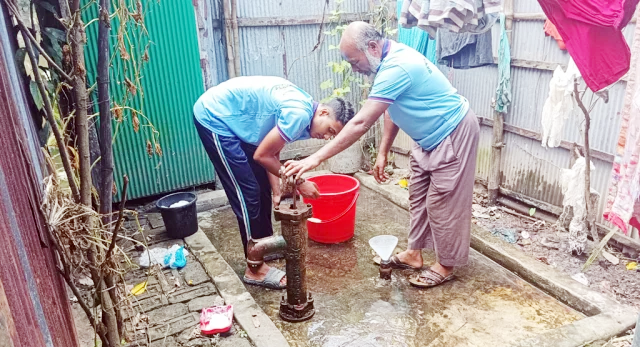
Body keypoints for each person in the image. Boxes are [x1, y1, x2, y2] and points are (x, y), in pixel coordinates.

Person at [284, 22, 480, 288]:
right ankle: (413, 254)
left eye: (354, 61)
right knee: (418, 196)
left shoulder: (397, 66)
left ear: (373, 47)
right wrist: (383, 151)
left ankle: (446, 264)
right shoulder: (385, 63)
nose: (353, 68)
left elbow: (360, 123)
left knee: (443, 202)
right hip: (426, 139)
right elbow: (391, 108)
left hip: (452, 132)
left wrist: (314, 159)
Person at [194, 76, 355, 289]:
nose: (326, 138)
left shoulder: (306, 116)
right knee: (247, 192)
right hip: (215, 116)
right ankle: (254, 268)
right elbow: (262, 156)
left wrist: (276, 190)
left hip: (238, 119)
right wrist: (299, 183)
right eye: (330, 131)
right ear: (324, 112)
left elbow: (272, 150)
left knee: (261, 187)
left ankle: (264, 245)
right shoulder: (299, 114)